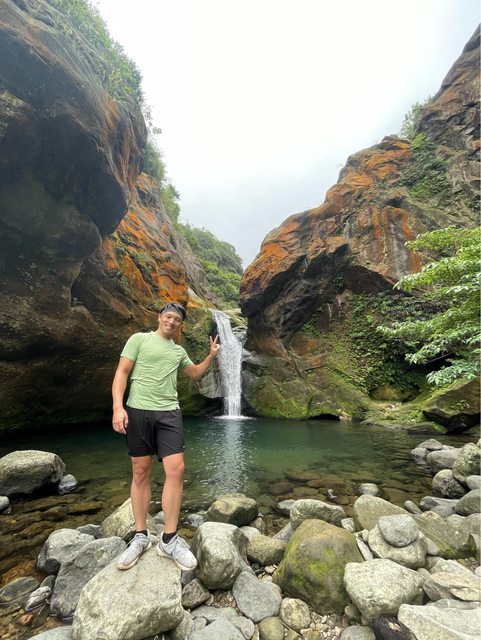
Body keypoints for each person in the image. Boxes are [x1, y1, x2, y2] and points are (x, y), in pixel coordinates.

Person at [112, 302, 219, 571]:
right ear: (159, 317)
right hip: (138, 411)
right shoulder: (139, 340)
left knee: (177, 469)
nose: (172, 321)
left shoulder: (178, 351)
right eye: (168, 316)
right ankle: (140, 536)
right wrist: (118, 408)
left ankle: (169, 540)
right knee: (140, 472)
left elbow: (195, 373)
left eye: (177, 320)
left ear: (181, 325)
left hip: (169, 413)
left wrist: (211, 355)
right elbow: (121, 373)